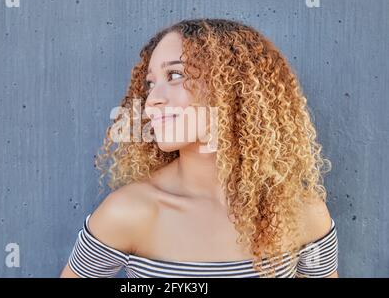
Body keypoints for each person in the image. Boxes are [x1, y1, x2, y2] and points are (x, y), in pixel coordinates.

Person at [60, 18, 338, 278]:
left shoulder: (302, 213)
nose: (151, 100)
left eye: (175, 74)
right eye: (150, 83)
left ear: (233, 87)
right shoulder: (128, 211)